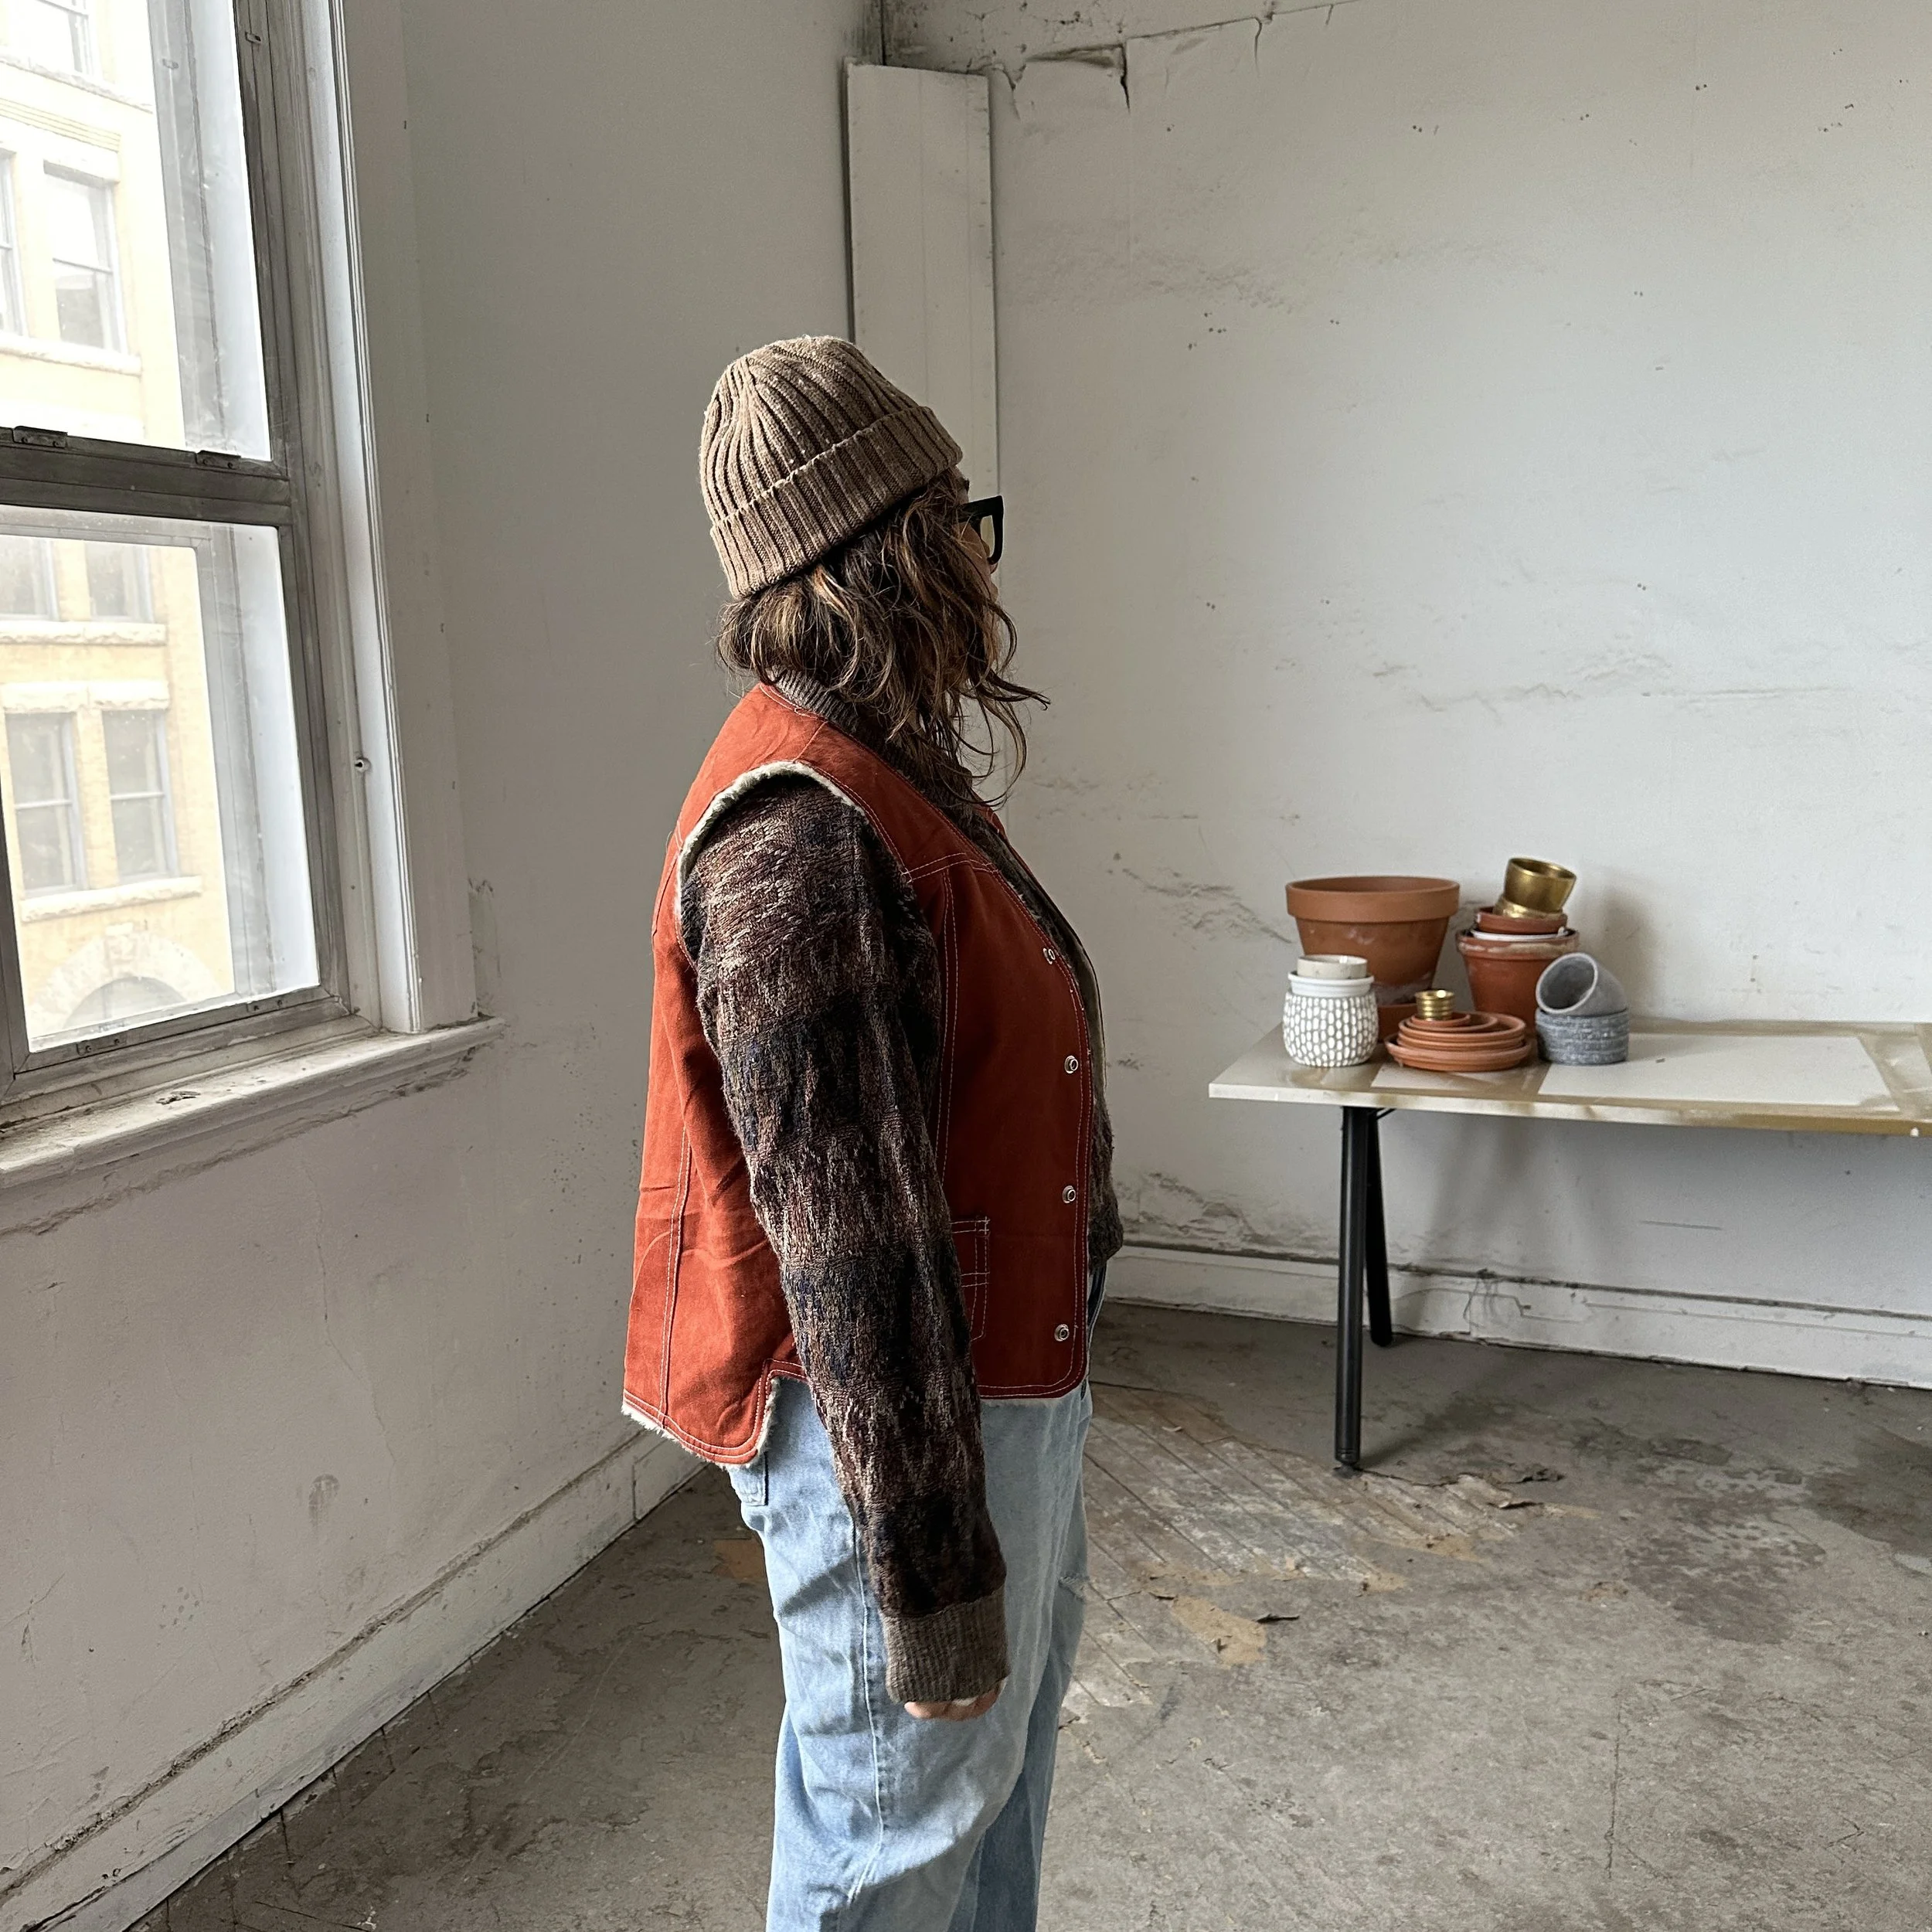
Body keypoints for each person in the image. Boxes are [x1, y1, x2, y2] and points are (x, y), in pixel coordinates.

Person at [624, 336, 1121, 1932]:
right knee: (886, 1847)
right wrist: (928, 1569)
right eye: (959, 516)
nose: (982, 556)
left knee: (984, 1800)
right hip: (891, 1428)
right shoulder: (796, 839)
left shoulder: (887, 773)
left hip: (986, 1384)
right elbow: (849, 1258)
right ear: (893, 549)